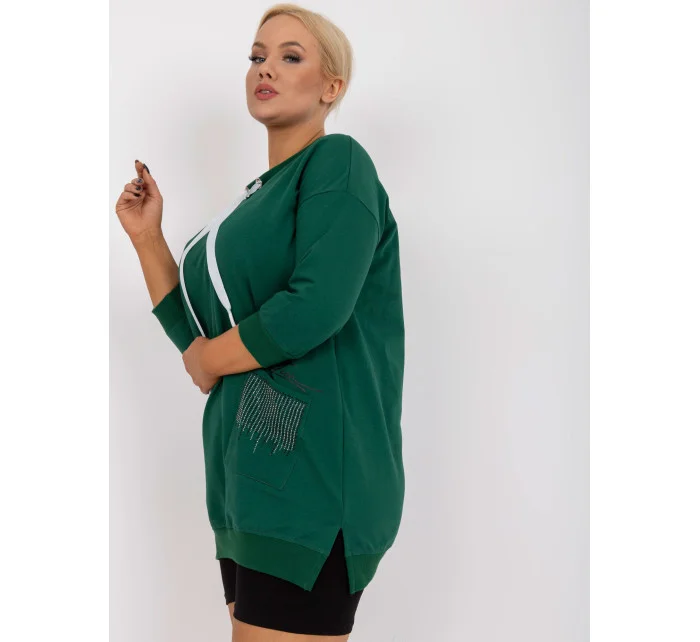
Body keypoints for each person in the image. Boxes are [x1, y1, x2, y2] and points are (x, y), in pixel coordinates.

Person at [115, 4, 405, 639]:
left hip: (314, 487)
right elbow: (200, 337)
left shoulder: (338, 163)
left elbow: (315, 307)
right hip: (246, 483)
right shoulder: (255, 201)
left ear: (331, 87)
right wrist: (148, 240)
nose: (265, 68)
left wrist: (207, 361)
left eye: (290, 56)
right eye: (256, 57)